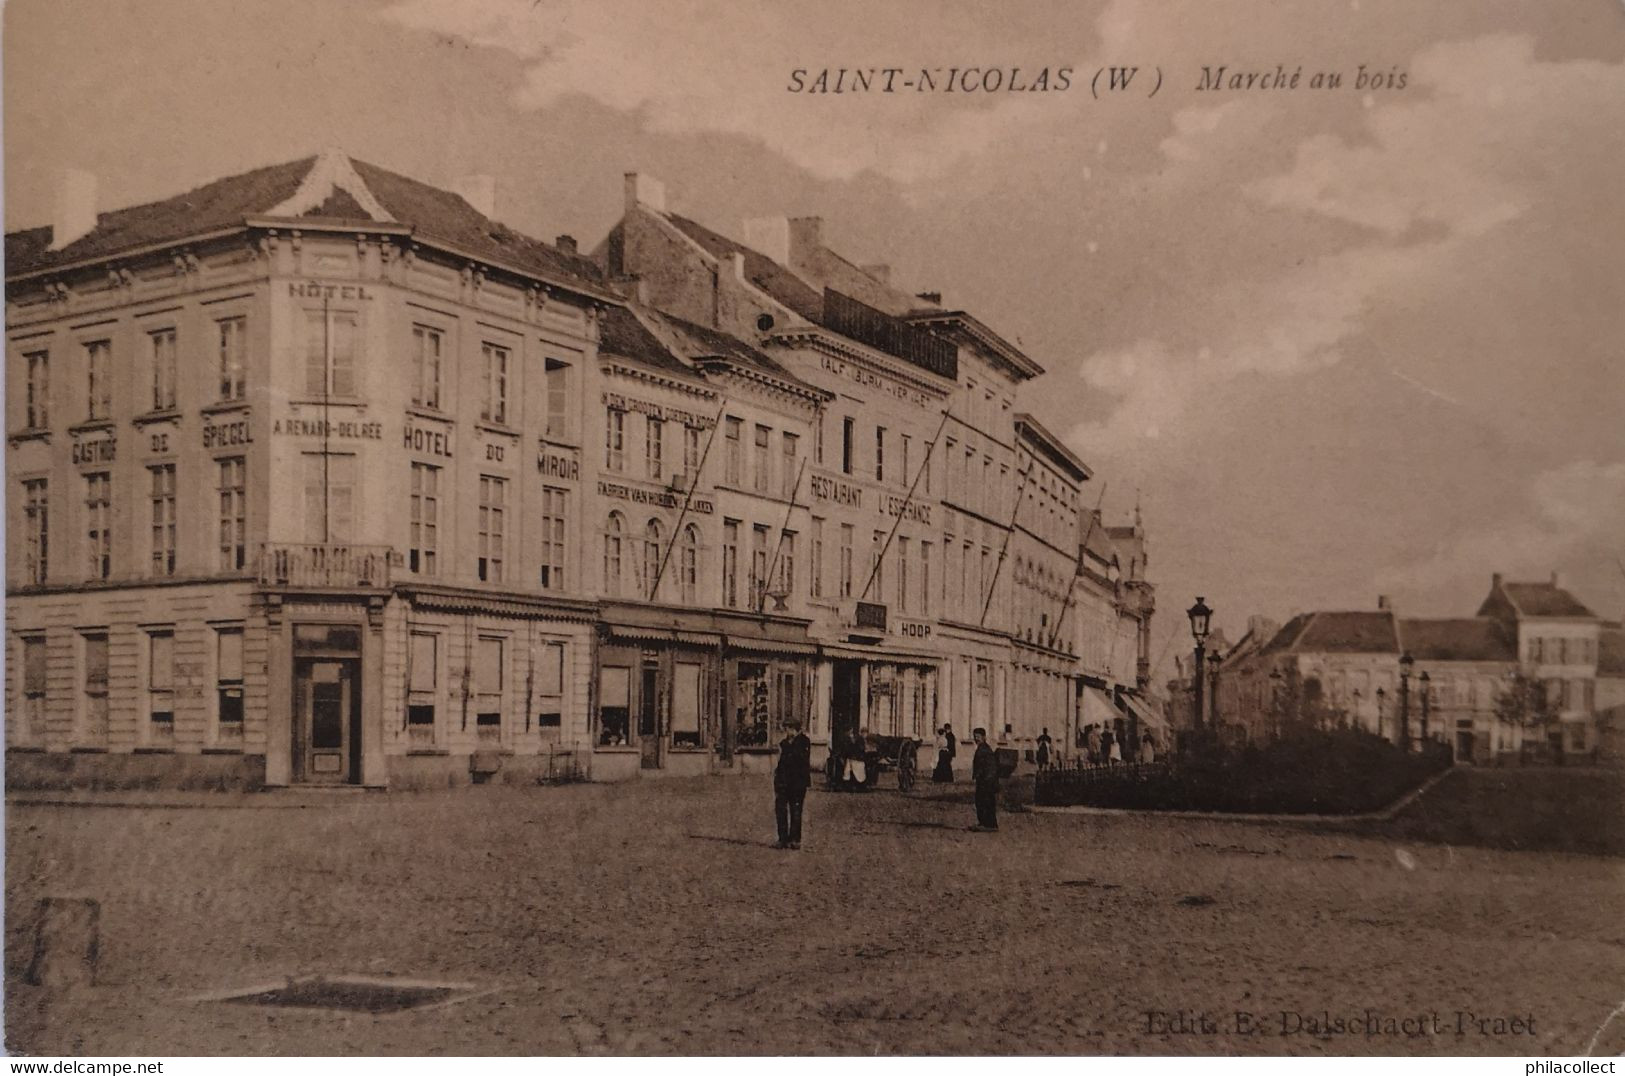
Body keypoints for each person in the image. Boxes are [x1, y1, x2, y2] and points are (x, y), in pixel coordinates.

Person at [774, 718, 812, 849]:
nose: (786, 731)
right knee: (780, 810)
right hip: (783, 782)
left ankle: (795, 839)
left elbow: (800, 760)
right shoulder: (784, 743)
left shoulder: (804, 742)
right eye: (785, 728)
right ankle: (782, 838)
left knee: (796, 810)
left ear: (795, 729)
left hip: (797, 783)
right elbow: (781, 763)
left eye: (788, 728)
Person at [970, 727, 1000, 831]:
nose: (976, 739)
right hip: (986, 780)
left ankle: (986, 823)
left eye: (978, 737)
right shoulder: (985, 748)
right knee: (986, 801)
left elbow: (987, 766)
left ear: (984, 737)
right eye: (974, 737)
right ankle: (988, 823)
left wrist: (982, 777)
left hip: (985, 781)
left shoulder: (983, 749)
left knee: (983, 801)